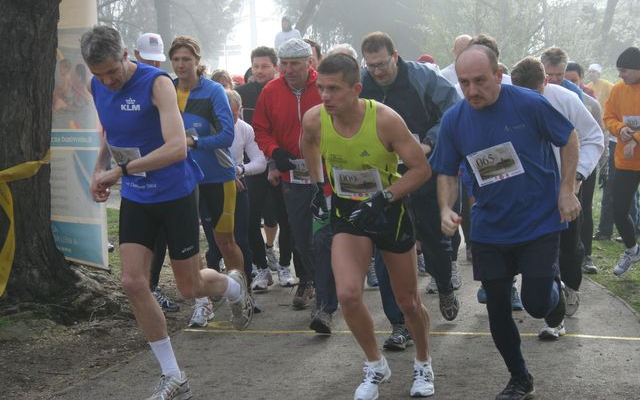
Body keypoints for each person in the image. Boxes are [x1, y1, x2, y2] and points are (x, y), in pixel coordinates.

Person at [81, 26, 252, 400]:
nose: (108, 81)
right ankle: (173, 375)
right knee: (132, 282)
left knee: (190, 287)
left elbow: (177, 148)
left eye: (112, 71)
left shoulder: (156, 83)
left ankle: (234, 286)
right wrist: (100, 168)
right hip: (138, 197)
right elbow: (110, 133)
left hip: (175, 192)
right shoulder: (96, 86)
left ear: (126, 54)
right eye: (99, 75)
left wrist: (120, 171)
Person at [432, 44, 580, 400]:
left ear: (499, 75)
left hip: (539, 222)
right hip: (489, 228)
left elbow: (569, 138)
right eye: (464, 82)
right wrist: (444, 209)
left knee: (535, 303)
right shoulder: (455, 119)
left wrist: (566, 189)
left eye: (480, 81)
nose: (471, 91)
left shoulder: (528, 104)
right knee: (497, 305)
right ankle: (519, 377)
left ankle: (553, 293)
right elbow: (446, 170)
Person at [302, 52, 435, 399]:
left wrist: (385, 198)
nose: (326, 96)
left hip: (390, 212)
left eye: (334, 89)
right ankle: (376, 365)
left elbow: (421, 170)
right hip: (348, 213)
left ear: (357, 89)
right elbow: (309, 147)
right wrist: (319, 186)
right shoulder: (315, 119)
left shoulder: (386, 120)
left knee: (408, 302)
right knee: (347, 295)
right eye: (321, 88)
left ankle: (423, 363)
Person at [359, 32, 461, 353]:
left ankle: (444, 285)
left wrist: (428, 143)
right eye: (371, 65)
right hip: (384, 177)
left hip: (423, 166)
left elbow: (453, 112)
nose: (377, 71)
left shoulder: (423, 78)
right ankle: (399, 323)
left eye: (382, 64)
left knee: (434, 244)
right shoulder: (363, 84)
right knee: (386, 249)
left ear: (396, 55)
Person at [511, 56, 604, 338]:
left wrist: (575, 178)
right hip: (527, 192)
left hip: (564, 186)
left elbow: (593, 138)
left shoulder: (565, 100)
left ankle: (571, 286)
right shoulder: (504, 101)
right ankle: (555, 318)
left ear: (546, 83)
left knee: (567, 249)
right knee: (540, 253)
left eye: (535, 93)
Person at [167, 36, 253, 329]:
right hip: (182, 179)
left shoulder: (214, 91)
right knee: (189, 244)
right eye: (176, 59)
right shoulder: (167, 88)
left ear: (197, 60)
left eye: (186, 59)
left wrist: (192, 141)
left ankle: (239, 296)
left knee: (225, 242)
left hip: (217, 177)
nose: (181, 65)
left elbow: (227, 136)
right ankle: (202, 304)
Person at [253, 38, 321, 312]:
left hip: (327, 170)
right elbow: (260, 128)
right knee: (300, 230)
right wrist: (274, 150)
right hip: (292, 173)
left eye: (295, 64)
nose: (289, 69)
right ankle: (308, 279)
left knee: (329, 231)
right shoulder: (271, 91)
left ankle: (330, 283)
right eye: (285, 64)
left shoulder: (323, 86)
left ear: (309, 63)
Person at [236, 46, 298, 290]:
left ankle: (284, 266)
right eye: (255, 66)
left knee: (286, 219)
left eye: (264, 66)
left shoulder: (284, 91)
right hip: (252, 167)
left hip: (282, 162)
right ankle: (262, 269)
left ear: (276, 67)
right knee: (251, 220)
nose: (259, 71)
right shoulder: (241, 94)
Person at [565, 61, 609, 274]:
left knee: (584, 206)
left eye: (573, 80)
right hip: (564, 165)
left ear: (581, 78)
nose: (567, 82)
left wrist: (604, 164)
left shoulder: (591, 104)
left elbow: (600, 134)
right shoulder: (553, 98)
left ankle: (587, 255)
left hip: (586, 165)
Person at [604, 47, 640, 276]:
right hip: (625, 162)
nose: (620, 75)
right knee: (618, 211)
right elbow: (608, 117)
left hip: (633, 150)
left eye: (624, 70)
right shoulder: (618, 90)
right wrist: (621, 129)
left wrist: (635, 137)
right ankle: (632, 250)